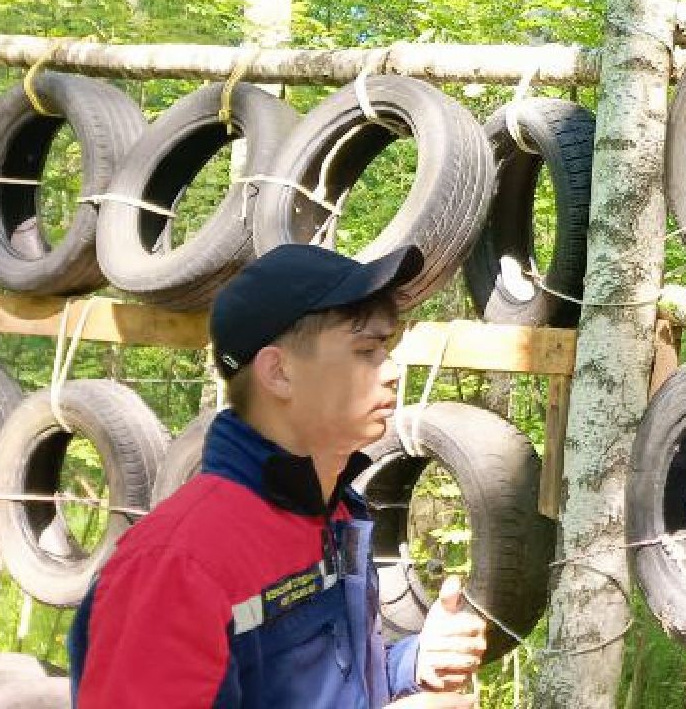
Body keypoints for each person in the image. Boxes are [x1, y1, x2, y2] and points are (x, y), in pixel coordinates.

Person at [67, 243, 488, 707]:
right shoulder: (175, 566)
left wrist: (413, 663)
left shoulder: (339, 513)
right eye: (366, 350)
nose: (391, 371)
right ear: (279, 373)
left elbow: (327, 689)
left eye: (386, 349)